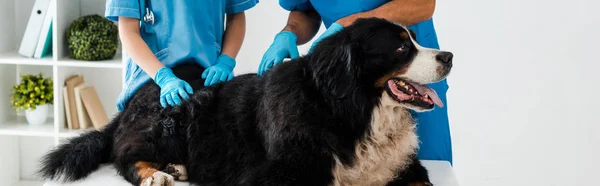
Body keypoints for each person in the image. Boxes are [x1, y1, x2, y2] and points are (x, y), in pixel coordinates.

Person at [259, 0, 453, 164]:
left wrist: (351, 23)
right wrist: (290, 32)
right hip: (358, 89)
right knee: (362, 170)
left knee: (426, 169)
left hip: (413, 73)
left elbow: (423, 4)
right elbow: (305, 10)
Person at [105, 0, 258, 111]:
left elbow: (236, 16)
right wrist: (163, 77)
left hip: (210, 72)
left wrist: (226, 60)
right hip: (155, 74)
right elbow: (128, 31)